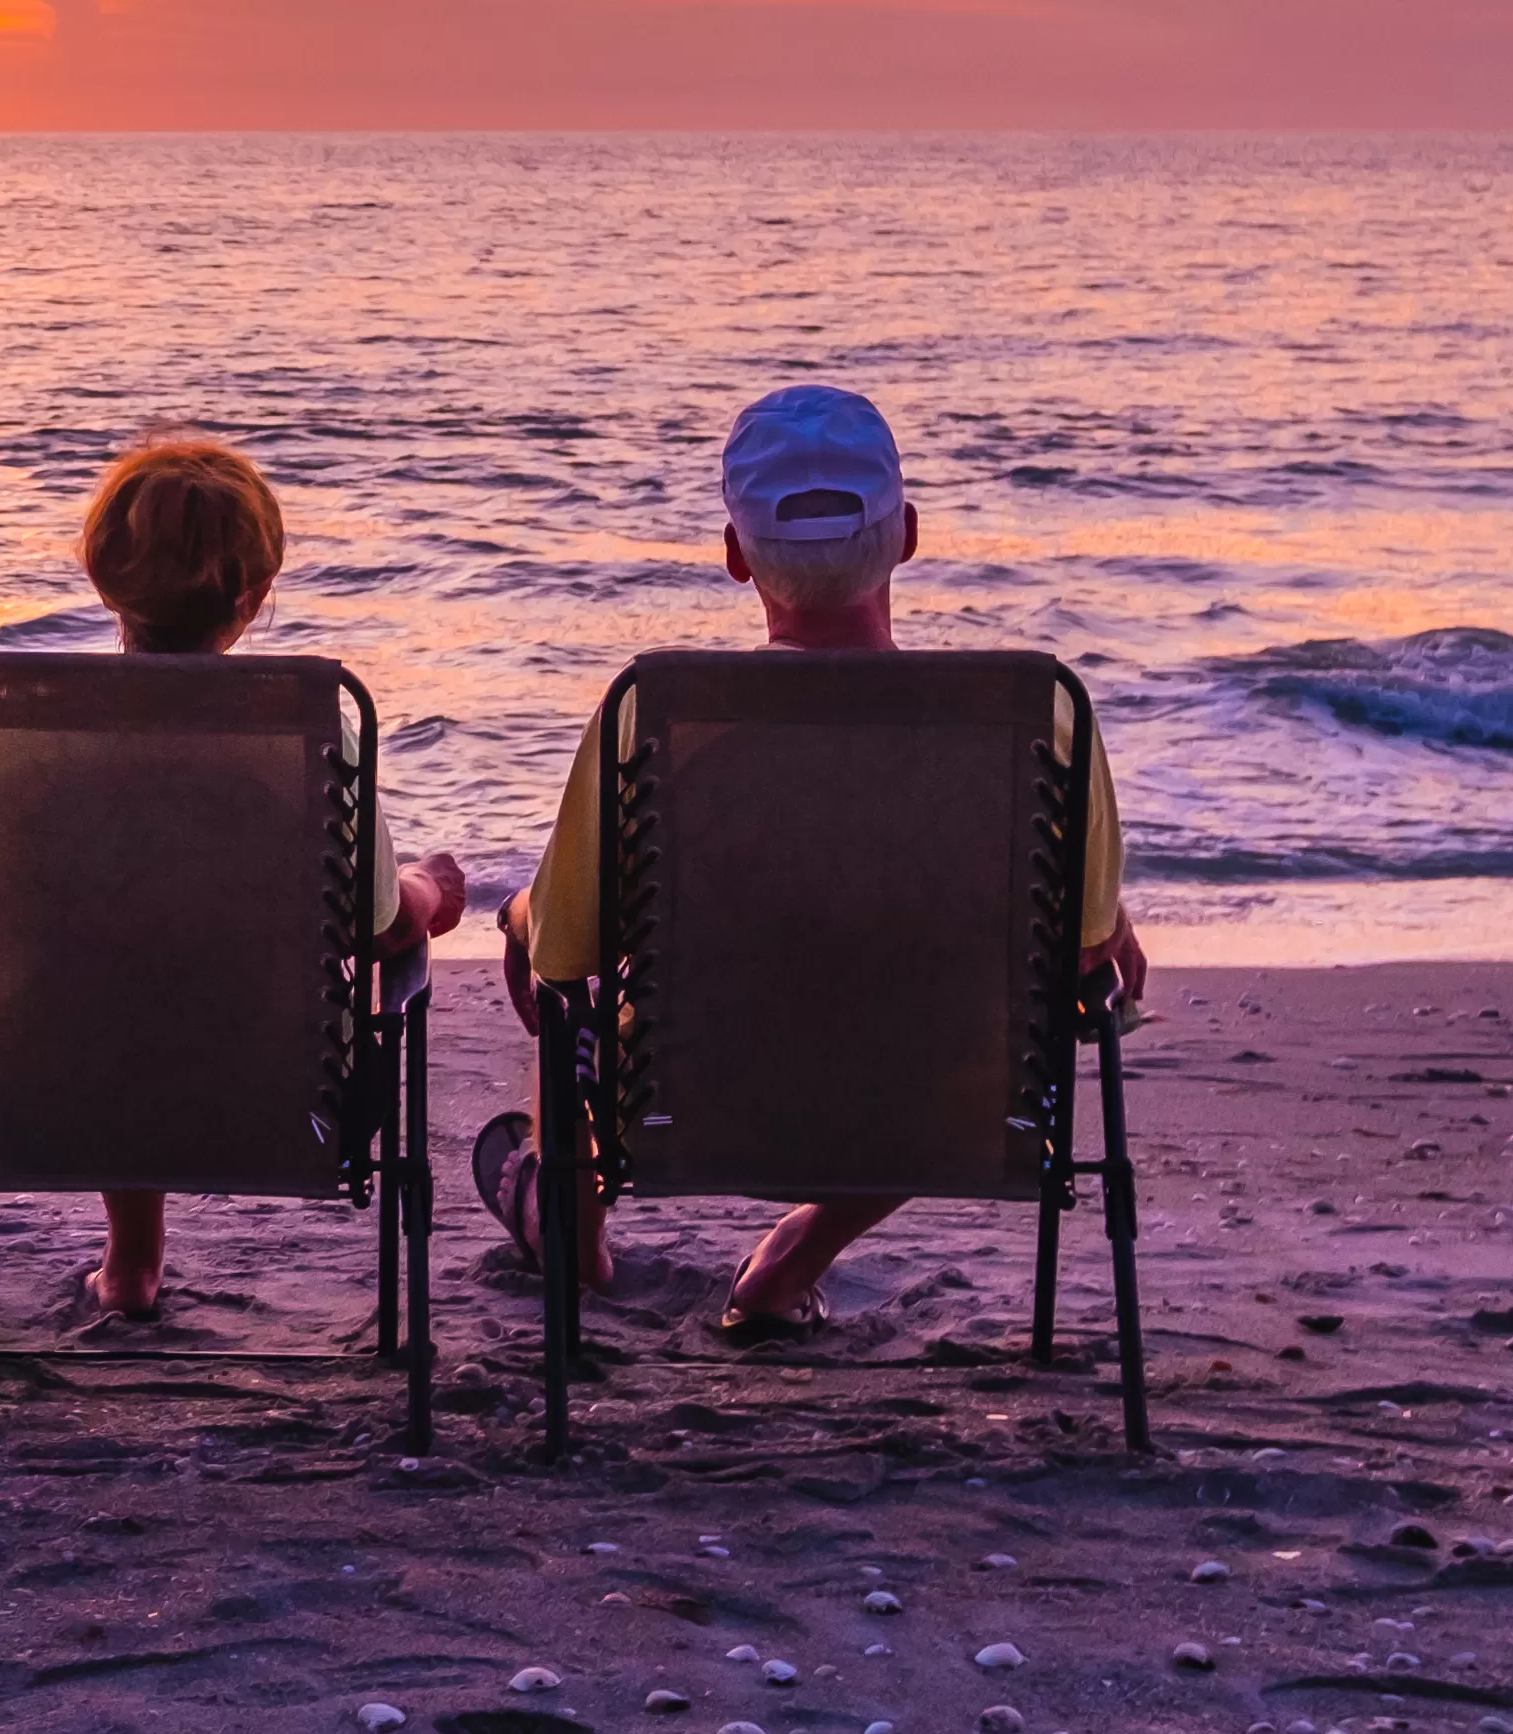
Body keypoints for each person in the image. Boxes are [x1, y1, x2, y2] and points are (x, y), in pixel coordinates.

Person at [479, 384, 1144, 1334]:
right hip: (954, 1115)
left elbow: (566, 957)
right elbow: (1082, 951)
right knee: (1019, 1002)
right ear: (908, 534)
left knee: (550, 971)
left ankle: (570, 1219)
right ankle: (803, 1247)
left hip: (689, 1112)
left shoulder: (654, 722)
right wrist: (1108, 920)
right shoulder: (1038, 722)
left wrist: (515, 917)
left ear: (735, 556)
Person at [0, 430, 467, 1321]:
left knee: (102, 967)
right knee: (170, 967)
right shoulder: (316, 735)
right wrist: (430, 890)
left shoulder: (23, 751)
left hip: (24, 1092)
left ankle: (130, 1267)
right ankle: (135, 1263)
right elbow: (380, 925)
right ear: (254, 596)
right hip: (285, 1104)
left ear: (102, 580)